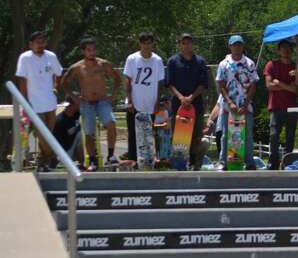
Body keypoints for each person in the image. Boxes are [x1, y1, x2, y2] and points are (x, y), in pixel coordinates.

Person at [60, 37, 121, 170]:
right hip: (86, 102)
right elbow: (64, 82)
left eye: (93, 50)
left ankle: (111, 156)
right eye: (89, 50)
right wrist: (74, 97)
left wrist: (113, 94)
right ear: (83, 51)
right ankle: (92, 160)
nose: (92, 53)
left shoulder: (103, 64)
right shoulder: (77, 67)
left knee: (111, 123)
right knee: (89, 132)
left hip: (102, 100)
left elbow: (117, 78)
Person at [15, 31, 63, 169]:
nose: (41, 45)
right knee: (42, 133)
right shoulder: (25, 58)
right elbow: (22, 80)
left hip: (50, 102)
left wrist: (55, 87)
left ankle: (43, 161)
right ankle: (52, 156)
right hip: (33, 102)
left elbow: (58, 73)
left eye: (43, 42)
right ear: (31, 44)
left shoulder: (51, 56)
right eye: (38, 42)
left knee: (48, 133)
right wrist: (24, 100)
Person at [165, 33, 211, 169]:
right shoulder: (172, 61)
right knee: (179, 136)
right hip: (177, 105)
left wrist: (191, 97)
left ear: (192, 44)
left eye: (189, 42)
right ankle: (179, 164)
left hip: (195, 104)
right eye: (183, 43)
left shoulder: (200, 62)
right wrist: (180, 97)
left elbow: (204, 84)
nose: (186, 45)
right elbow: (169, 84)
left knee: (196, 136)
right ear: (180, 44)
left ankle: (194, 162)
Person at [217, 34, 259, 170]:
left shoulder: (250, 63)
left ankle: (249, 162)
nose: (237, 47)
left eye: (239, 44)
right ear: (230, 46)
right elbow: (221, 85)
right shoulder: (224, 64)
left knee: (247, 135)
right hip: (228, 107)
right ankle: (223, 162)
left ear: (243, 46)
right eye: (234, 45)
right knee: (225, 135)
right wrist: (230, 103)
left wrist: (246, 104)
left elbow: (253, 84)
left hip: (246, 106)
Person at [123, 32, 165, 163]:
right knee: (133, 134)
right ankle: (133, 160)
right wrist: (129, 101)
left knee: (151, 133)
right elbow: (128, 81)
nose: (147, 46)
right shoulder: (132, 59)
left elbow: (160, 82)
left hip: (151, 103)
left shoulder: (157, 60)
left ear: (152, 44)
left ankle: (150, 159)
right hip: (135, 102)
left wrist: (157, 101)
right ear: (140, 43)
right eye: (144, 43)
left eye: (149, 43)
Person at [264, 39, 298, 170]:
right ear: (278, 51)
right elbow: (269, 86)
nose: (286, 50)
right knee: (273, 136)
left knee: (290, 138)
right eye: (283, 48)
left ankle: (287, 164)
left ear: (291, 51)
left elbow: (297, 90)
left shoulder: (296, 67)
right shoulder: (271, 65)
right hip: (276, 107)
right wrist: (288, 87)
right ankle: (273, 164)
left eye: (288, 48)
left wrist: (279, 83)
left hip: (292, 107)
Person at [50, 96, 82, 167]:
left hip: (72, 149)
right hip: (63, 152)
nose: (81, 104)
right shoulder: (60, 120)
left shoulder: (77, 115)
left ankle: (81, 164)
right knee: (80, 135)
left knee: (84, 133)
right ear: (72, 105)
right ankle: (61, 161)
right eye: (79, 102)